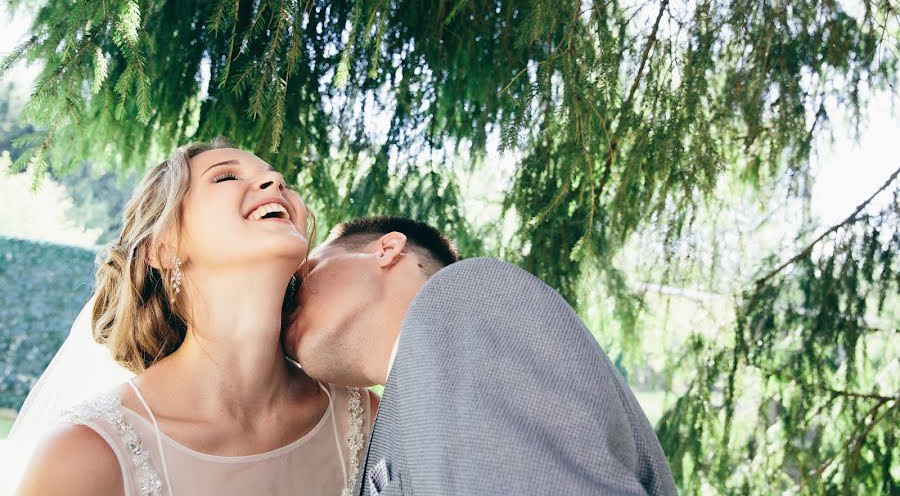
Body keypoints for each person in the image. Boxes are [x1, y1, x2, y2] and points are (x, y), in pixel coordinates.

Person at [15, 138, 377, 496]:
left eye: (279, 179)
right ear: (163, 247)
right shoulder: (84, 456)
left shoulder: (366, 420)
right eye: (225, 178)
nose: (277, 182)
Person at [286, 216, 678, 495]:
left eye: (305, 274)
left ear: (387, 250)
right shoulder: (400, 413)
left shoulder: (463, 296)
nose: (286, 302)